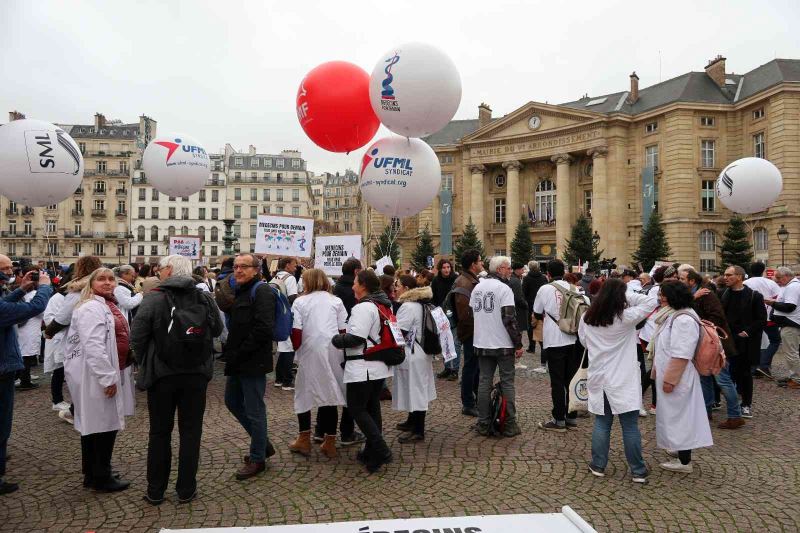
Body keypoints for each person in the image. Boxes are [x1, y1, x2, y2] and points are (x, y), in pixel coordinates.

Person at [130, 254, 223, 504]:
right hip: (196, 374)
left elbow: (137, 337)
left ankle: (155, 490)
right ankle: (186, 489)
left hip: (162, 375)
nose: (158, 272)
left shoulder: (154, 298)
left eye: (160, 268)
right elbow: (217, 330)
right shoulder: (203, 296)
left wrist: (146, 361)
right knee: (191, 432)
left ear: (169, 270)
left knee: (159, 432)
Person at [578, 278, 655, 483]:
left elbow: (584, 341)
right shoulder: (625, 317)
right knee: (629, 426)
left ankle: (598, 464)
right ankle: (637, 470)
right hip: (622, 377)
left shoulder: (587, 317)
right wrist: (624, 294)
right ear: (620, 297)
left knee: (602, 422)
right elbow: (650, 302)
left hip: (599, 375)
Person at [63, 267, 132, 492]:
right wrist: (107, 378)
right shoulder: (92, 307)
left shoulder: (103, 304)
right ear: (91, 283)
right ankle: (101, 476)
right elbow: (93, 345)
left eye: (111, 279)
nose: (107, 283)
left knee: (95, 425)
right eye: (101, 279)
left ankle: (93, 472)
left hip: (102, 371)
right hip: (96, 375)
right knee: (103, 426)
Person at [331, 270, 393, 473]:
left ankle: (381, 449)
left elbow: (356, 338)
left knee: (357, 409)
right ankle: (371, 453)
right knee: (372, 408)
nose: (352, 286)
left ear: (363, 285)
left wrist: (336, 339)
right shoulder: (379, 304)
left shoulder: (364, 307)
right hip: (375, 367)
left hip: (363, 367)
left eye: (355, 283)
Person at [0, 256, 52, 495]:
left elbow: (5, 305)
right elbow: (35, 308)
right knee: (2, 423)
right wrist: (44, 287)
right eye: (6, 268)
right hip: (2, 367)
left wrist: (20, 290)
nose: (11, 271)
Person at [650, 280, 713, 473]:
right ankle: (679, 449)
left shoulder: (683, 319)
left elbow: (681, 353)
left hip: (678, 378)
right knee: (675, 416)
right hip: (671, 374)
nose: (660, 298)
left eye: (664, 294)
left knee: (681, 418)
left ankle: (685, 462)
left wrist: (670, 379)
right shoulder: (675, 314)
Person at [222, 254, 276, 480]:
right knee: (232, 401)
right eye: (236, 267)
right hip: (238, 359)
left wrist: (241, 351)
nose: (238, 270)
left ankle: (257, 458)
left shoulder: (262, 291)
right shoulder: (241, 289)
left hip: (252, 360)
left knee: (255, 410)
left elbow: (264, 328)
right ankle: (263, 444)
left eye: (243, 267)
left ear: (256, 270)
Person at [287, 269, 348, 458]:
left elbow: (296, 332)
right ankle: (329, 442)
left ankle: (304, 439)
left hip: (310, 350)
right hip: (333, 350)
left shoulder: (300, 302)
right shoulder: (336, 301)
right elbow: (343, 329)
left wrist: (296, 350)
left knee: (304, 393)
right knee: (329, 392)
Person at [678, 268, 744, 428]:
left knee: (723, 380)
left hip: (714, 344)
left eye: (682, 279)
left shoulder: (706, 294)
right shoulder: (693, 295)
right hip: (704, 344)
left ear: (691, 281)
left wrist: (699, 325)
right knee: (704, 378)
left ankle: (735, 416)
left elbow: (717, 316)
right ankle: (705, 412)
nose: (679, 281)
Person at [472, 257, 523, 437]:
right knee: (507, 382)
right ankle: (509, 424)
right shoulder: (504, 289)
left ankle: (483, 422)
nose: (510, 271)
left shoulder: (477, 288)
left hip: (482, 341)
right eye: (508, 268)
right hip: (502, 343)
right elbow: (509, 319)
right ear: (500, 269)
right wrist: (518, 343)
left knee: (484, 382)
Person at [534, 259, 587, 432]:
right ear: (564, 272)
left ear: (548, 273)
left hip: (554, 340)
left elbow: (536, 311)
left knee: (557, 381)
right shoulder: (574, 288)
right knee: (571, 379)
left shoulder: (545, 289)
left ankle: (559, 420)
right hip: (574, 339)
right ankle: (571, 417)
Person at [392, 275, 437, 442]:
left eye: (398, 285)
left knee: (416, 390)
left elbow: (400, 332)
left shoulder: (408, 306)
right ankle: (412, 421)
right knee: (414, 387)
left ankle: (418, 430)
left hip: (414, 353)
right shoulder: (418, 304)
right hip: (419, 352)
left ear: (406, 289)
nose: (395, 288)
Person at [720, 265, 766, 419]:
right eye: (725, 275)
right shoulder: (723, 294)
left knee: (745, 374)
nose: (725, 277)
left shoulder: (754, 296)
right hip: (727, 341)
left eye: (729, 275)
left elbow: (761, 320)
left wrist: (747, 332)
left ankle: (746, 404)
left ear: (739, 276)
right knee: (729, 373)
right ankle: (733, 402)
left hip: (746, 342)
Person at [453, 249, 483, 417]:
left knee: (475, 367)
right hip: (471, 332)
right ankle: (468, 403)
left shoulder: (470, 280)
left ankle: (476, 399)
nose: (482, 264)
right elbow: (466, 315)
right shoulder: (464, 283)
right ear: (473, 265)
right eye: (480, 261)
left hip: (474, 331)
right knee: (470, 367)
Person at [744, 262, 781, 378]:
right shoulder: (770, 283)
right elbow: (778, 298)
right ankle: (763, 365)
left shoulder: (745, 283)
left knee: (753, 342)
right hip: (768, 316)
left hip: (750, 318)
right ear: (763, 270)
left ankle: (754, 367)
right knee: (774, 341)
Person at [765, 267, 800, 389]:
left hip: (791, 324)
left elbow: (790, 306)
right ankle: (794, 376)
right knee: (791, 351)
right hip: (789, 323)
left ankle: (797, 379)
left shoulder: (792, 287)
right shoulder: (791, 286)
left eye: (779, 278)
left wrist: (772, 303)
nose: (777, 280)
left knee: (791, 352)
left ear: (786, 276)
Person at [14, 266, 44, 391]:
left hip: (26, 329)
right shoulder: (35, 296)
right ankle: (24, 381)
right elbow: (39, 312)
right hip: (29, 330)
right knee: (26, 356)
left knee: (24, 355)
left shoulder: (25, 295)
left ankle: (21, 378)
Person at [44, 279, 70, 416]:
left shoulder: (68, 297)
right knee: (59, 371)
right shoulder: (57, 298)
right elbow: (49, 318)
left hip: (67, 339)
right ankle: (57, 400)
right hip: (58, 339)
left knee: (65, 370)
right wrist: (66, 323)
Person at [431, 259, 461, 380]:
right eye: (444, 267)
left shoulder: (456, 280)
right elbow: (433, 297)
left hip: (454, 315)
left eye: (448, 267)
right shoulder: (436, 280)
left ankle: (455, 369)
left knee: (455, 343)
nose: (446, 269)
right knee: (444, 342)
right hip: (440, 315)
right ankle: (447, 367)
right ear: (440, 269)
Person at [273, 257, 299, 390]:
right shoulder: (290, 278)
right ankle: (287, 381)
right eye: (294, 265)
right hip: (286, 317)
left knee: (282, 348)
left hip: (276, 317)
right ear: (287, 265)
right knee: (288, 349)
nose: (295, 268)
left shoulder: (275, 277)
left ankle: (279, 378)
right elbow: (292, 299)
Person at [523, 262, 548, 364]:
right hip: (543, 305)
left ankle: (532, 346)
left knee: (531, 326)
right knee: (542, 325)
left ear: (529, 268)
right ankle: (543, 345)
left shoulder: (527, 278)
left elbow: (524, 291)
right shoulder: (543, 278)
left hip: (530, 305)